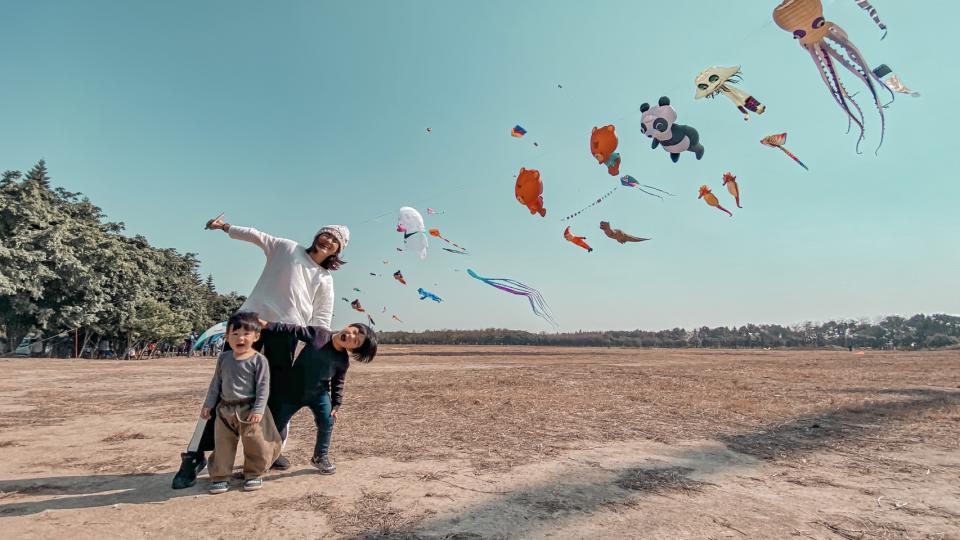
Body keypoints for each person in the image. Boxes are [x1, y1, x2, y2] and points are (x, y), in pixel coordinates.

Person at [172, 216, 349, 489]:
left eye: (335, 241)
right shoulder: (286, 248)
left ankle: (271, 450)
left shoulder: (324, 278)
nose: (329, 240)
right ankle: (194, 455)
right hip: (249, 324)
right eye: (327, 234)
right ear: (317, 235)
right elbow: (256, 235)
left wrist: (321, 352)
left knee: (276, 394)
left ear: (338, 251)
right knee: (224, 389)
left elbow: (321, 319)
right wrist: (225, 228)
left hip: (285, 334)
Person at [259, 320, 377, 474]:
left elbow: (338, 383)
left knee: (327, 420)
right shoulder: (320, 334)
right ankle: (269, 456)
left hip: (318, 394)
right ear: (350, 325)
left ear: (353, 349)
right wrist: (267, 325)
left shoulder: (342, 361)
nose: (350, 337)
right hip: (292, 391)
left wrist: (336, 404)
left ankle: (320, 457)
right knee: (276, 425)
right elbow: (293, 330)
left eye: (355, 342)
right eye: (354, 331)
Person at [200, 312, 281, 494]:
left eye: (246, 334)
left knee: (255, 443)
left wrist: (259, 409)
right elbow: (216, 384)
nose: (240, 338)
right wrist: (208, 405)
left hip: (250, 408)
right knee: (223, 444)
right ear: (227, 337)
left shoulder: (259, 360)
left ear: (256, 336)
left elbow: (263, 388)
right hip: (225, 409)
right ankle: (221, 476)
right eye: (234, 334)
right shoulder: (224, 358)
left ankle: (253, 474)